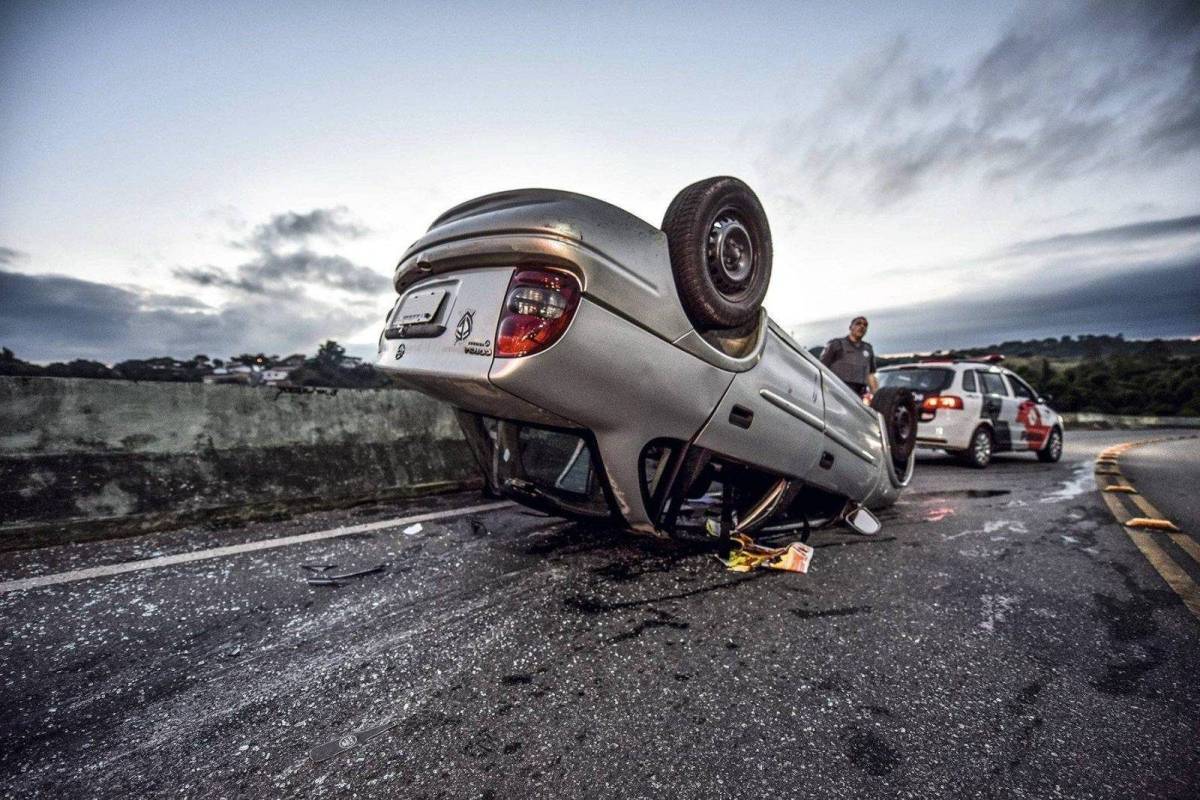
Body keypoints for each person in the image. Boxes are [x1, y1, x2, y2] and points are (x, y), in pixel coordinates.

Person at [820, 316, 877, 399]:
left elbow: (871, 375)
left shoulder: (868, 348)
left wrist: (876, 396)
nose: (862, 326)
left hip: (859, 395)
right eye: (858, 323)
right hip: (837, 392)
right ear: (850, 327)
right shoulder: (836, 344)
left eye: (865, 325)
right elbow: (822, 368)